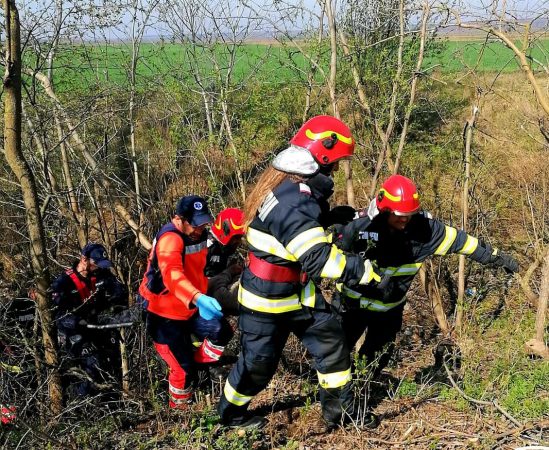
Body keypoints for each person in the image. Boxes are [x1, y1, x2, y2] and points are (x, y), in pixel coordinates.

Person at [217, 115, 381, 430]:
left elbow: (293, 233)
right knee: (257, 367)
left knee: (332, 346)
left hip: (299, 295)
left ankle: (340, 413)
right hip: (265, 301)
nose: (336, 170)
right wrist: (363, 271)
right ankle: (231, 415)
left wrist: (329, 218)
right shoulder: (293, 200)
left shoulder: (292, 188)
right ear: (322, 156)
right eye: (335, 163)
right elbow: (319, 259)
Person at [334, 174, 519, 378]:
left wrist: (497, 258)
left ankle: (362, 390)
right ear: (384, 210)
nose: (404, 220)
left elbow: (463, 242)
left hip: (388, 312)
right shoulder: (360, 226)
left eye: (409, 214)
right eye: (399, 215)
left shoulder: (425, 230)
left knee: (375, 362)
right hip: (350, 307)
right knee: (334, 356)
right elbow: (323, 254)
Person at [139, 195, 233, 409]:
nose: (200, 228)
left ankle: (199, 365)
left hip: (190, 306)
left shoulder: (200, 234)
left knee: (221, 332)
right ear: (179, 219)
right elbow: (172, 275)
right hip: (163, 314)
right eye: (195, 224)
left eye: (203, 223)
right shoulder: (170, 240)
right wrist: (198, 298)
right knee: (182, 370)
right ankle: (180, 411)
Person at [51, 243, 128, 397]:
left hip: (98, 326)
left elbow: (119, 293)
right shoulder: (63, 282)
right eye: (96, 264)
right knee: (94, 366)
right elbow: (58, 316)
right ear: (84, 260)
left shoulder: (102, 274)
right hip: (76, 333)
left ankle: (113, 401)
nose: (98, 268)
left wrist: (113, 306)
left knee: (114, 361)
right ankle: (79, 401)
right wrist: (77, 322)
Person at [205, 207, 246, 316]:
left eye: (240, 237)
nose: (238, 241)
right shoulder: (208, 247)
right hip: (205, 293)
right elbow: (206, 283)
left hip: (220, 284)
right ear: (225, 230)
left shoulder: (226, 247)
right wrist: (229, 272)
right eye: (236, 237)